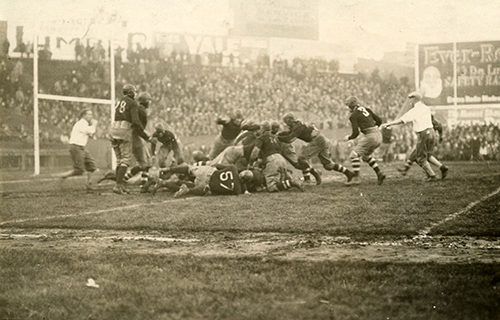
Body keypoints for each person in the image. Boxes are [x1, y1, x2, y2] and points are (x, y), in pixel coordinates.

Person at [381, 92, 448, 181]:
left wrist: (389, 124)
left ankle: (432, 175)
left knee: (420, 158)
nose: (410, 102)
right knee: (427, 155)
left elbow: (402, 120)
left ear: (414, 99)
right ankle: (442, 167)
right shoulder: (426, 108)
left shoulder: (415, 110)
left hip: (423, 134)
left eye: (410, 99)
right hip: (431, 132)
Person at [278, 113, 355, 183]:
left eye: (286, 121)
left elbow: (289, 138)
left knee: (302, 158)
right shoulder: (297, 125)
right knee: (328, 165)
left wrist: (278, 137)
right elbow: (288, 133)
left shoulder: (298, 126)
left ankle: (309, 177)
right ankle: (349, 173)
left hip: (317, 140)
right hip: (320, 139)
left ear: (290, 120)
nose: (286, 124)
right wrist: (278, 134)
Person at [109, 84, 152, 194]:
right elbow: (135, 121)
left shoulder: (120, 101)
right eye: (134, 91)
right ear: (131, 92)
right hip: (124, 130)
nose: (136, 94)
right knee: (126, 159)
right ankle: (118, 185)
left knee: (119, 160)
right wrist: (146, 135)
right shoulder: (133, 103)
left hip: (114, 129)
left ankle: (119, 184)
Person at [249, 121, 304, 193]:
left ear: (262, 129)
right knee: (280, 183)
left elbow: (255, 152)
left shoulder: (261, 138)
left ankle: (293, 182)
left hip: (273, 161)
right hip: (281, 160)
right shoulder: (275, 138)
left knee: (272, 188)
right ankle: (291, 181)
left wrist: (250, 164)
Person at [344, 96, 386, 185]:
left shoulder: (353, 115)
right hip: (378, 135)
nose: (348, 108)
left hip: (371, 136)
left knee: (353, 155)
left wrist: (349, 137)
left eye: (348, 106)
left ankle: (356, 178)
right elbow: (379, 120)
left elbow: (355, 133)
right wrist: (373, 128)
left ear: (351, 106)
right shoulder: (367, 109)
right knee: (365, 156)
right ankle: (379, 173)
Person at [121, 91, 153, 193]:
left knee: (147, 162)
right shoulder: (141, 110)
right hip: (135, 136)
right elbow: (137, 127)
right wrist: (147, 137)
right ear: (145, 101)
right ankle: (123, 180)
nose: (150, 102)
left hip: (136, 136)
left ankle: (143, 185)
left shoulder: (140, 109)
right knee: (143, 164)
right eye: (149, 100)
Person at [60, 109, 98, 192]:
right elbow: (91, 131)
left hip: (81, 148)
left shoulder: (85, 124)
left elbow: (90, 133)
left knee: (91, 165)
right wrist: (94, 124)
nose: (90, 116)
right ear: (83, 115)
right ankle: (63, 176)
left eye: (91, 114)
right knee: (79, 170)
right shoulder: (81, 123)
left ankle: (89, 184)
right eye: (88, 114)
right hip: (76, 147)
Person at [272, 120, 321, 185]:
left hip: (285, 146)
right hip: (282, 146)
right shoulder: (273, 134)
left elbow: (289, 138)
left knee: (298, 164)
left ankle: (312, 174)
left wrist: (278, 137)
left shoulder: (281, 134)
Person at [155, 164, 244, 198]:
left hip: (208, 172)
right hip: (207, 184)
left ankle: (167, 169)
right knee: (194, 187)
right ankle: (166, 183)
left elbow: (216, 165)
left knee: (189, 168)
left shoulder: (233, 168)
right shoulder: (237, 189)